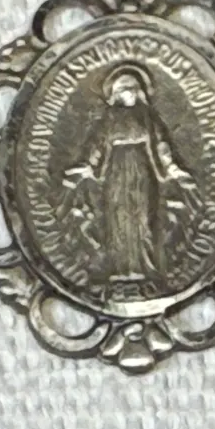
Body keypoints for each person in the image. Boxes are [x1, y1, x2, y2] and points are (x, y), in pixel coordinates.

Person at [60, 66, 198, 280]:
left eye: (134, 88)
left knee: (143, 217)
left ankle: (146, 268)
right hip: (115, 172)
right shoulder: (109, 118)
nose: (131, 93)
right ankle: (119, 269)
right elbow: (97, 144)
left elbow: (161, 144)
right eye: (125, 89)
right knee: (118, 218)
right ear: (117, 94)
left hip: (143, 170)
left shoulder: (147, 116)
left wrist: (172, 167)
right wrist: (87, 164)